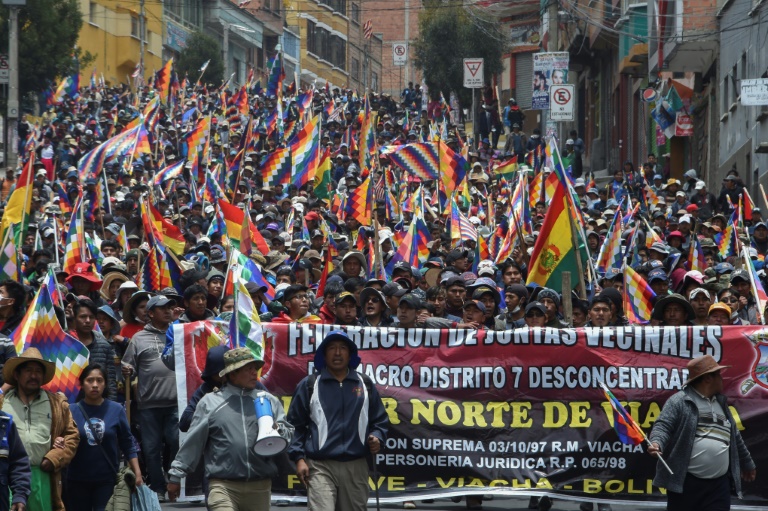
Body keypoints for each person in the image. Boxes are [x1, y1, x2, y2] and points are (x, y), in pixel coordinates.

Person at [167, 347, 293, 509]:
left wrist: (278, 431)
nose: (254, 373)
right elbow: (193, 443)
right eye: (248, 369)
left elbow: (288, 435)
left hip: (260, 487)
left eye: (255, 368)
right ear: (232, 374)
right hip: (222, 486)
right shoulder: (209, 403)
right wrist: (176, 476)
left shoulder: (268, 401)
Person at [287, 330, 389, 511]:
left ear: (350, 354)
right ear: (323, 355)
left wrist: (377, 435)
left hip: (356, 465)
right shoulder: (310, 384)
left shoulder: (364, 384)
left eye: (342, 348)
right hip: (320, 466)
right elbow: (295, 425)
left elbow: (379, 420)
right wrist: (299, 458)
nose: (337, 353)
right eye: (332, 348)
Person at [648, 355, 756, 510]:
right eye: (718, 375)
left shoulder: (722, 405)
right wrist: (657, 442)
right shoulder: (680, 401)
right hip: (685, 483)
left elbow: (735, 438)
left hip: (719, 486)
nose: (722, 379)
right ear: (707, 379)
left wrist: (747, 463)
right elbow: (663, 426)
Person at [2, 348, 80, 511]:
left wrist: (54, 457)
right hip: (8, 478)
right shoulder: (3, 403)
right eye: (29, 371)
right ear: (17, 375)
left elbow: (72, 435)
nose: (34, 375)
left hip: (42, 476)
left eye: (38, 371)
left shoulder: (57, 404)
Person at [121, 295, 179, 501]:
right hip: (148, 404)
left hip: (176, 402)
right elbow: (128, 367)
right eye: (162, 308)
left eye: (170, 308)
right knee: (151, 448)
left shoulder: (178, 333)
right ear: (151, 313)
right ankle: (158, 487)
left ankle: (174, 481)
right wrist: (127, 370)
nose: (168, 311)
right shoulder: (138, 338)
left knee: (176, 440)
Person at [66, 364, 143, 511]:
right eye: (90, 380)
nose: (95, 385)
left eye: (99, 380)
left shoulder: (116, 409)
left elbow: (128, 443)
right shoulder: (71, 411)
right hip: (76, 480)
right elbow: (64, 440)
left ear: (105, 384)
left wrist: (137, 473)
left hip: (107, 480)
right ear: (81, 384)